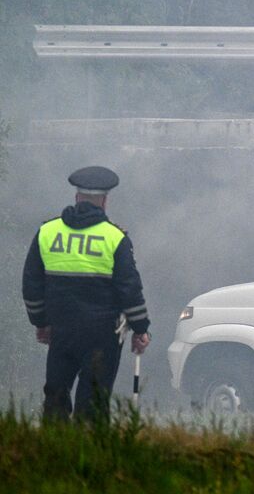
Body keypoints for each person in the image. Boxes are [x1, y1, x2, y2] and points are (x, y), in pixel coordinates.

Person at [22, 166, 151, 421]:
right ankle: (89, 456)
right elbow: (130, 290)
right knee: (92, 404)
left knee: (56, 398)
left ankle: (51, 455)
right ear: (104, 201)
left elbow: (31, 285)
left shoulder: (47, 233)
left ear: (76, 198)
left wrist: (41, 322)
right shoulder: (115, 238)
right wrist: (140, 329)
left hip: (61, 331)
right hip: (102, 336)